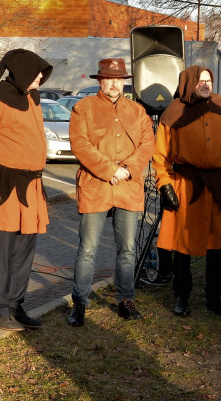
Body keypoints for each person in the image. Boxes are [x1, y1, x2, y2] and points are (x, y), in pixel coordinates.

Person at [66, 58, 155, 326]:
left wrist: (127, 169)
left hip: (128, 187)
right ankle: (80, 302)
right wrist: (110, 170)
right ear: (99, 81)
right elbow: (80, 145)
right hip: (96, 186)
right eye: (109, 79)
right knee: (87, 249)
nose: (114, 84)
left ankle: (125, 300)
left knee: (127, 249)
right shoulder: (83, 108)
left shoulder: (138, 111)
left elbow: (147, 144)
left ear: (124, 81)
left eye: (119, 79)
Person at [153, 65, 221, 318]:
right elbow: (160, 156)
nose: (206, 85)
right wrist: (165, 185)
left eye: (209, 80)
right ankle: (182, 296)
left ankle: (214, 298)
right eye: (200, 81)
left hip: (218, 185)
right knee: (182, 245)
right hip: (186, 185)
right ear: (188, 84)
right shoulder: (174, 113)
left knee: (218, 245)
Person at [0, 49, 53, 331]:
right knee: (2, 252)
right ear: (21, 71)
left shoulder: (33, 98)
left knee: (24, 252)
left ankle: (16, 304)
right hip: (4, 186)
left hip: (31, 187)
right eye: (36, 72)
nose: (41, 77)